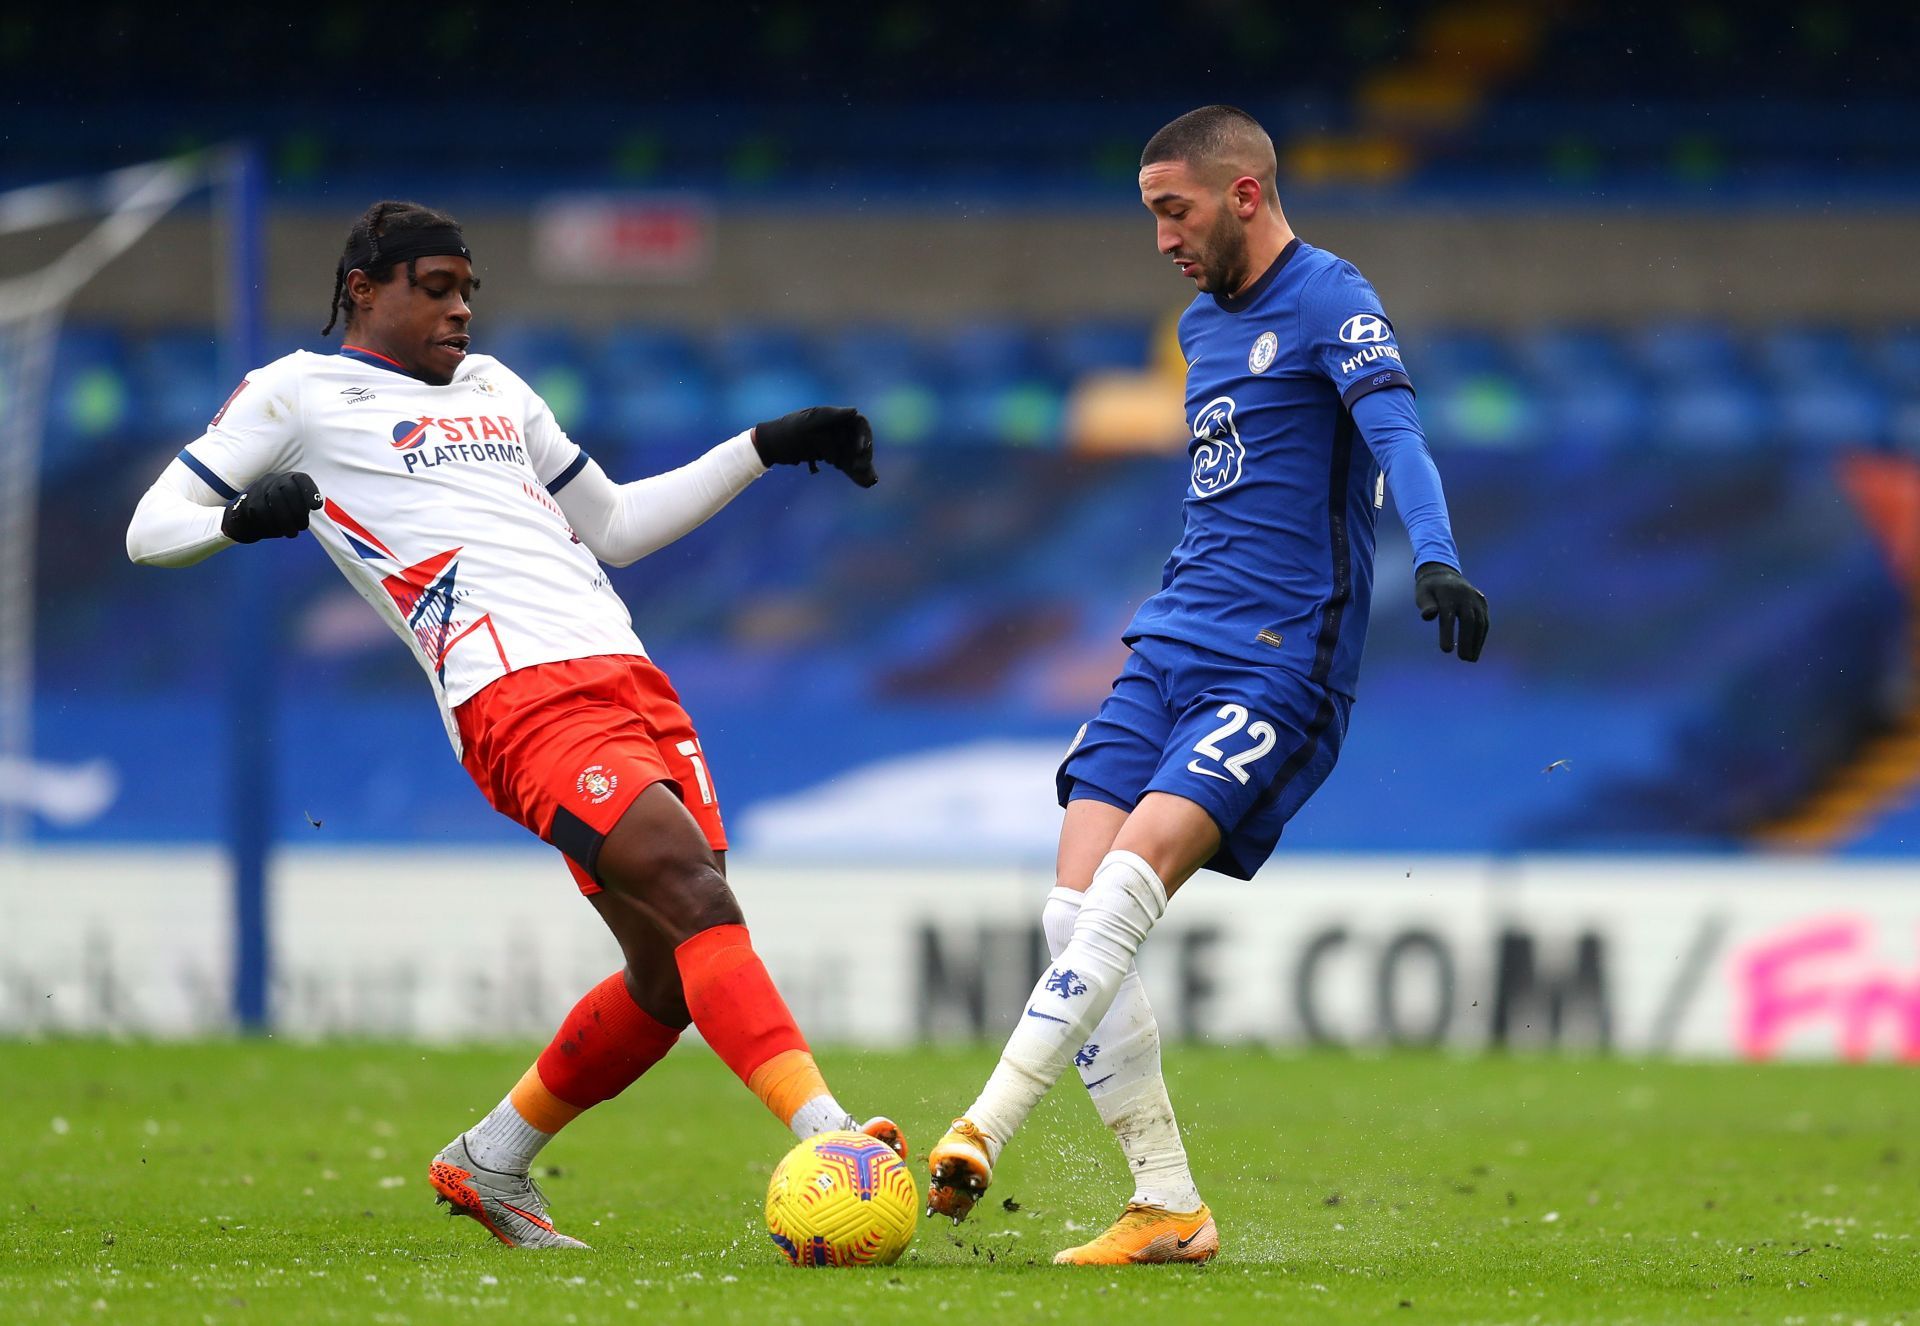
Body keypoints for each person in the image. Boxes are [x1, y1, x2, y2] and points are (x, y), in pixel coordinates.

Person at [126, 201, 899, 1250]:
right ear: (363, 287)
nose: (460, 310)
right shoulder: (294, 393)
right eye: (435, 288)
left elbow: (618, 526)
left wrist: (764, 446)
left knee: (672, 975)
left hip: (630, 676)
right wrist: (238, 518)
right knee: (692, 888)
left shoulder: (499, 390)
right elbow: (147, 531)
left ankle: (490, 1161)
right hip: (513, 691)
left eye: (469, 291)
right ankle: (836, 1139)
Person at [925, 106, 1489, 1265]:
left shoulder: (1335, 298)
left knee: (1133, 879)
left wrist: (1433, 552)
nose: (1162, 238)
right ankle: (1169, 1206)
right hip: (1169, 643)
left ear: (1243, 195)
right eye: (1150, 216)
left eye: (1173, 211)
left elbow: (1398, 433)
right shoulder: (1198, 326)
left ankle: (986, 1122)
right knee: (1068, 910)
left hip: (1278, 662)